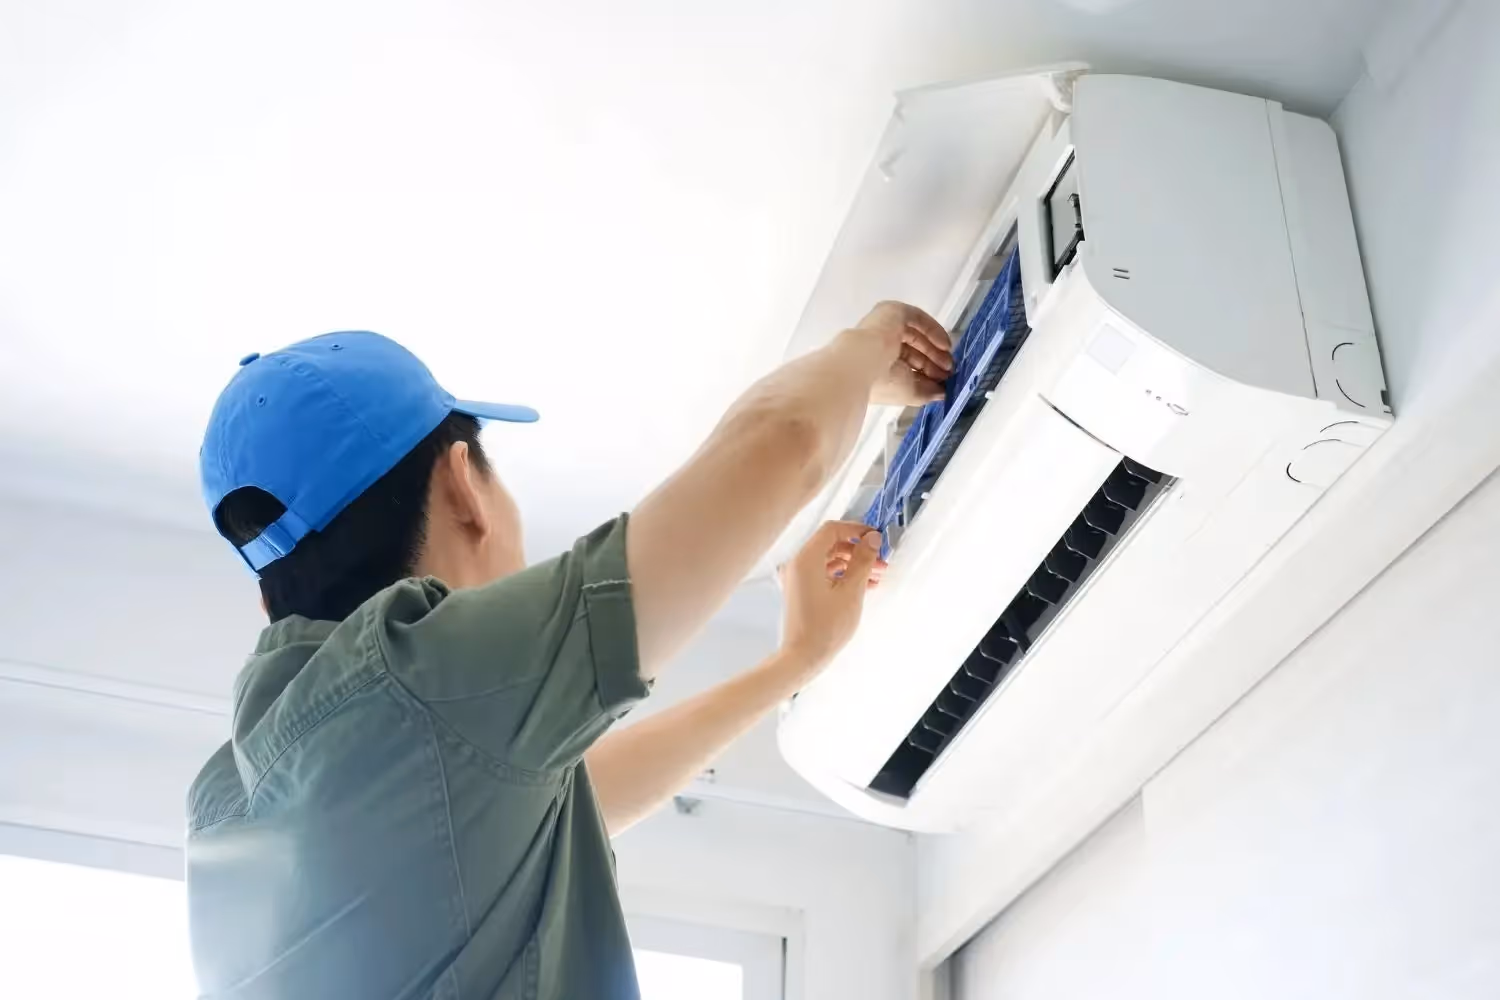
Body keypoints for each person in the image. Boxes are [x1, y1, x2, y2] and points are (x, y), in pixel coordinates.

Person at [186, 302, 953, 999]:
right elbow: (779, 447)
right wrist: (866, 348)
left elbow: (567, 788)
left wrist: (792, 663)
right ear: (463, 487)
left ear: (268, 595)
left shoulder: (233, 801)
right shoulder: (422, 681)